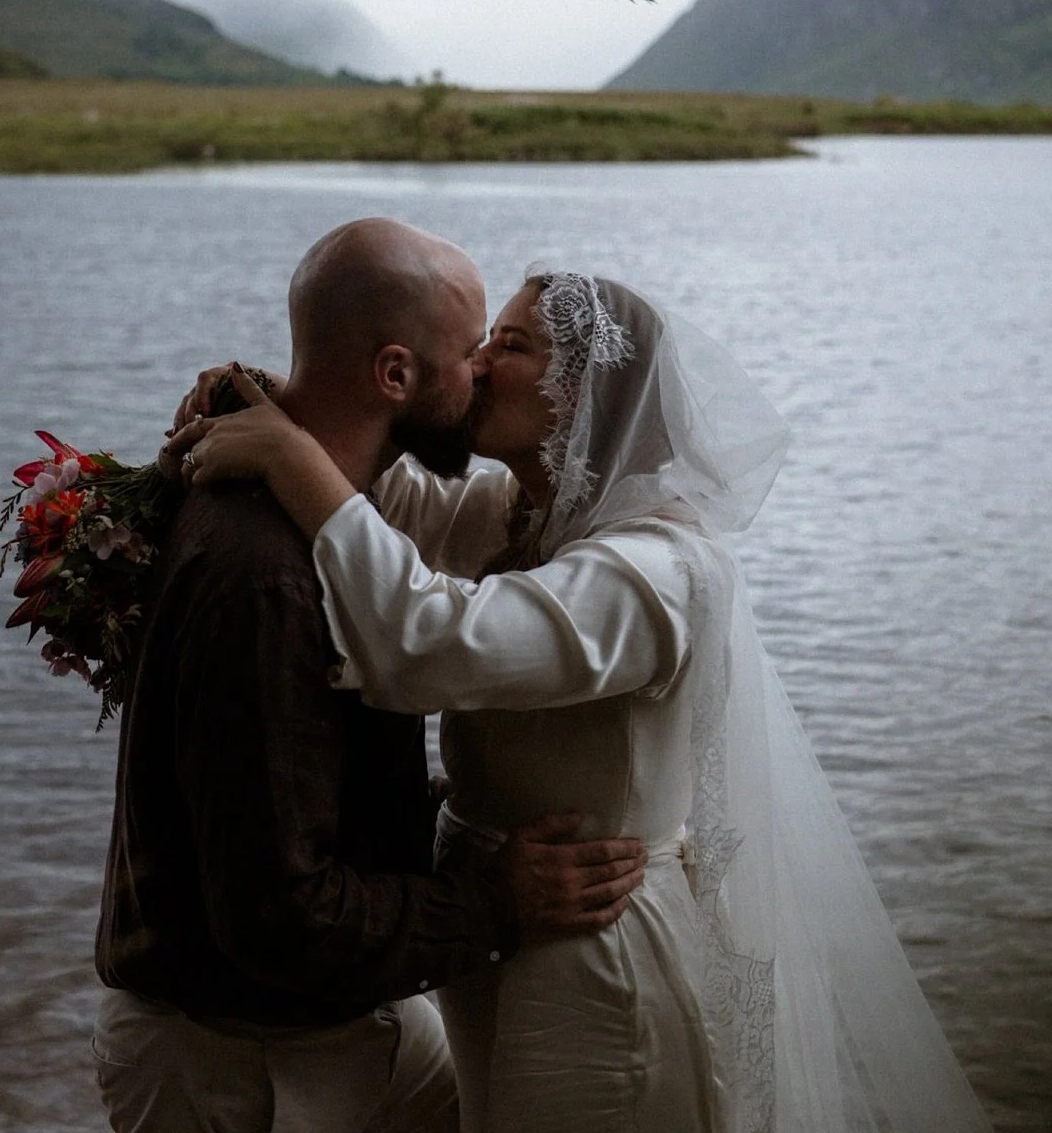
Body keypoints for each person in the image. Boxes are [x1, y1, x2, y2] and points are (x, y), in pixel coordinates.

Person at [169, 267, 996, 1133]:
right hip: (511, 924)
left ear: (591, 391)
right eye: (484, 340)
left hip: (598, 952)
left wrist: (290, 455)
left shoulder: (662, 573)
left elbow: (430, 640)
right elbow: (390, 507)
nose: (477, 363)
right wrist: (282, 402)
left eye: (510, 345)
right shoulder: (526, 515)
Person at [93, 223, 646, 1133]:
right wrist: (500, 899)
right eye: (473, 352)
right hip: (241, 1065)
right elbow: (280, 916)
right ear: (395, 375)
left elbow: (300, 774)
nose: (481, 377)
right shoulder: (266, 573)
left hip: (335, 1025)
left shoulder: (323, 519)